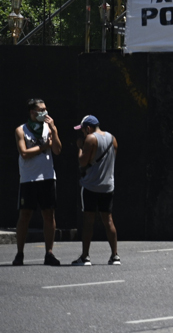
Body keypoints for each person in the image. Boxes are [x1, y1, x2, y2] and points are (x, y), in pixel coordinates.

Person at [13, 98, 62, 266]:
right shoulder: (21, 130)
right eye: (41, 110)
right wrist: (43, 146)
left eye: (46, 109)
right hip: (28, 178)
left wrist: (54, 130)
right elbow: (24, 153)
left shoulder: (49, 128)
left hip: (47, 177)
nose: (45, 113)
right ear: (32, 112)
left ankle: (49, 252)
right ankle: (19, 253)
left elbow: (57, 150)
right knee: (25, 215)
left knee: (49, 214)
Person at [72, 115, 119, 266]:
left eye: (83, 130)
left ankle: (85, 257)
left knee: (88, 221)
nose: (83, 134)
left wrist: (80, 147)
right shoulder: (113, 139)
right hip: (107, 186)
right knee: (108, 221)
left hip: (91, 186)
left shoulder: (90, 139)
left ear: (88, 128)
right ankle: (115, 256)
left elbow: (82, 162)